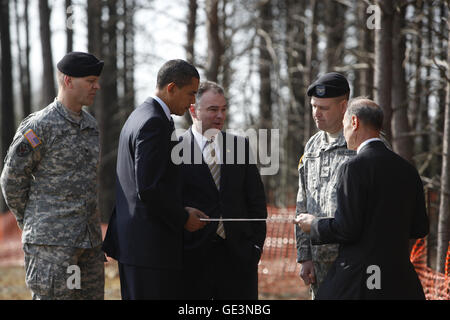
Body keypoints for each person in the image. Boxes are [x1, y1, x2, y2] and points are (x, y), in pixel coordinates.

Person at [295, 97, 429, 299]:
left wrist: (314, 225)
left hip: (359, 281)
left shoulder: (353, 168)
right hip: (400, 280)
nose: (345, 132)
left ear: (355, 123)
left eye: (345, 125)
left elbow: (347, 229)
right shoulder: (408, 170)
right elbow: (420, 227)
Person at [0, 52, 104, 300]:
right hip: (51, 246)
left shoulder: (91, 126)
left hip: (87, 242)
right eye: (90, 80)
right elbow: (11, 180)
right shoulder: (40, 126)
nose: (96, 86)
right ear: (68, 81)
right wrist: (35, 223)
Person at [102, 59, 208, 300]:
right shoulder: (154, 122)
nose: (193, 102)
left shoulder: (139, 115)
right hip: (150, 249)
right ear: (171, 88)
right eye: (190, 93)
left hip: (137, 246)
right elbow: (149, 187)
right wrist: (183, 218)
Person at [178, 81, 267, 299]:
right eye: (212, 109)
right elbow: (169, 202)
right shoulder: (174, 148)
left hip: (238, 262)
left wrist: (254, 249)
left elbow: (256, 203)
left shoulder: (240, 146)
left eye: (223, 109)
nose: (220, 116)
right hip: (191, 263)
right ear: (193, 110)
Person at [295, 72, 355, 298]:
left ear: (343, 106)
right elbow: (302, 203)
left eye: (324, 108)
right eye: (313, 106)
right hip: (319, 267)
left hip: (352, 262)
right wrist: (305, 257)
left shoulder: (362, 142)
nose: (316, 114)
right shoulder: (312, 145)